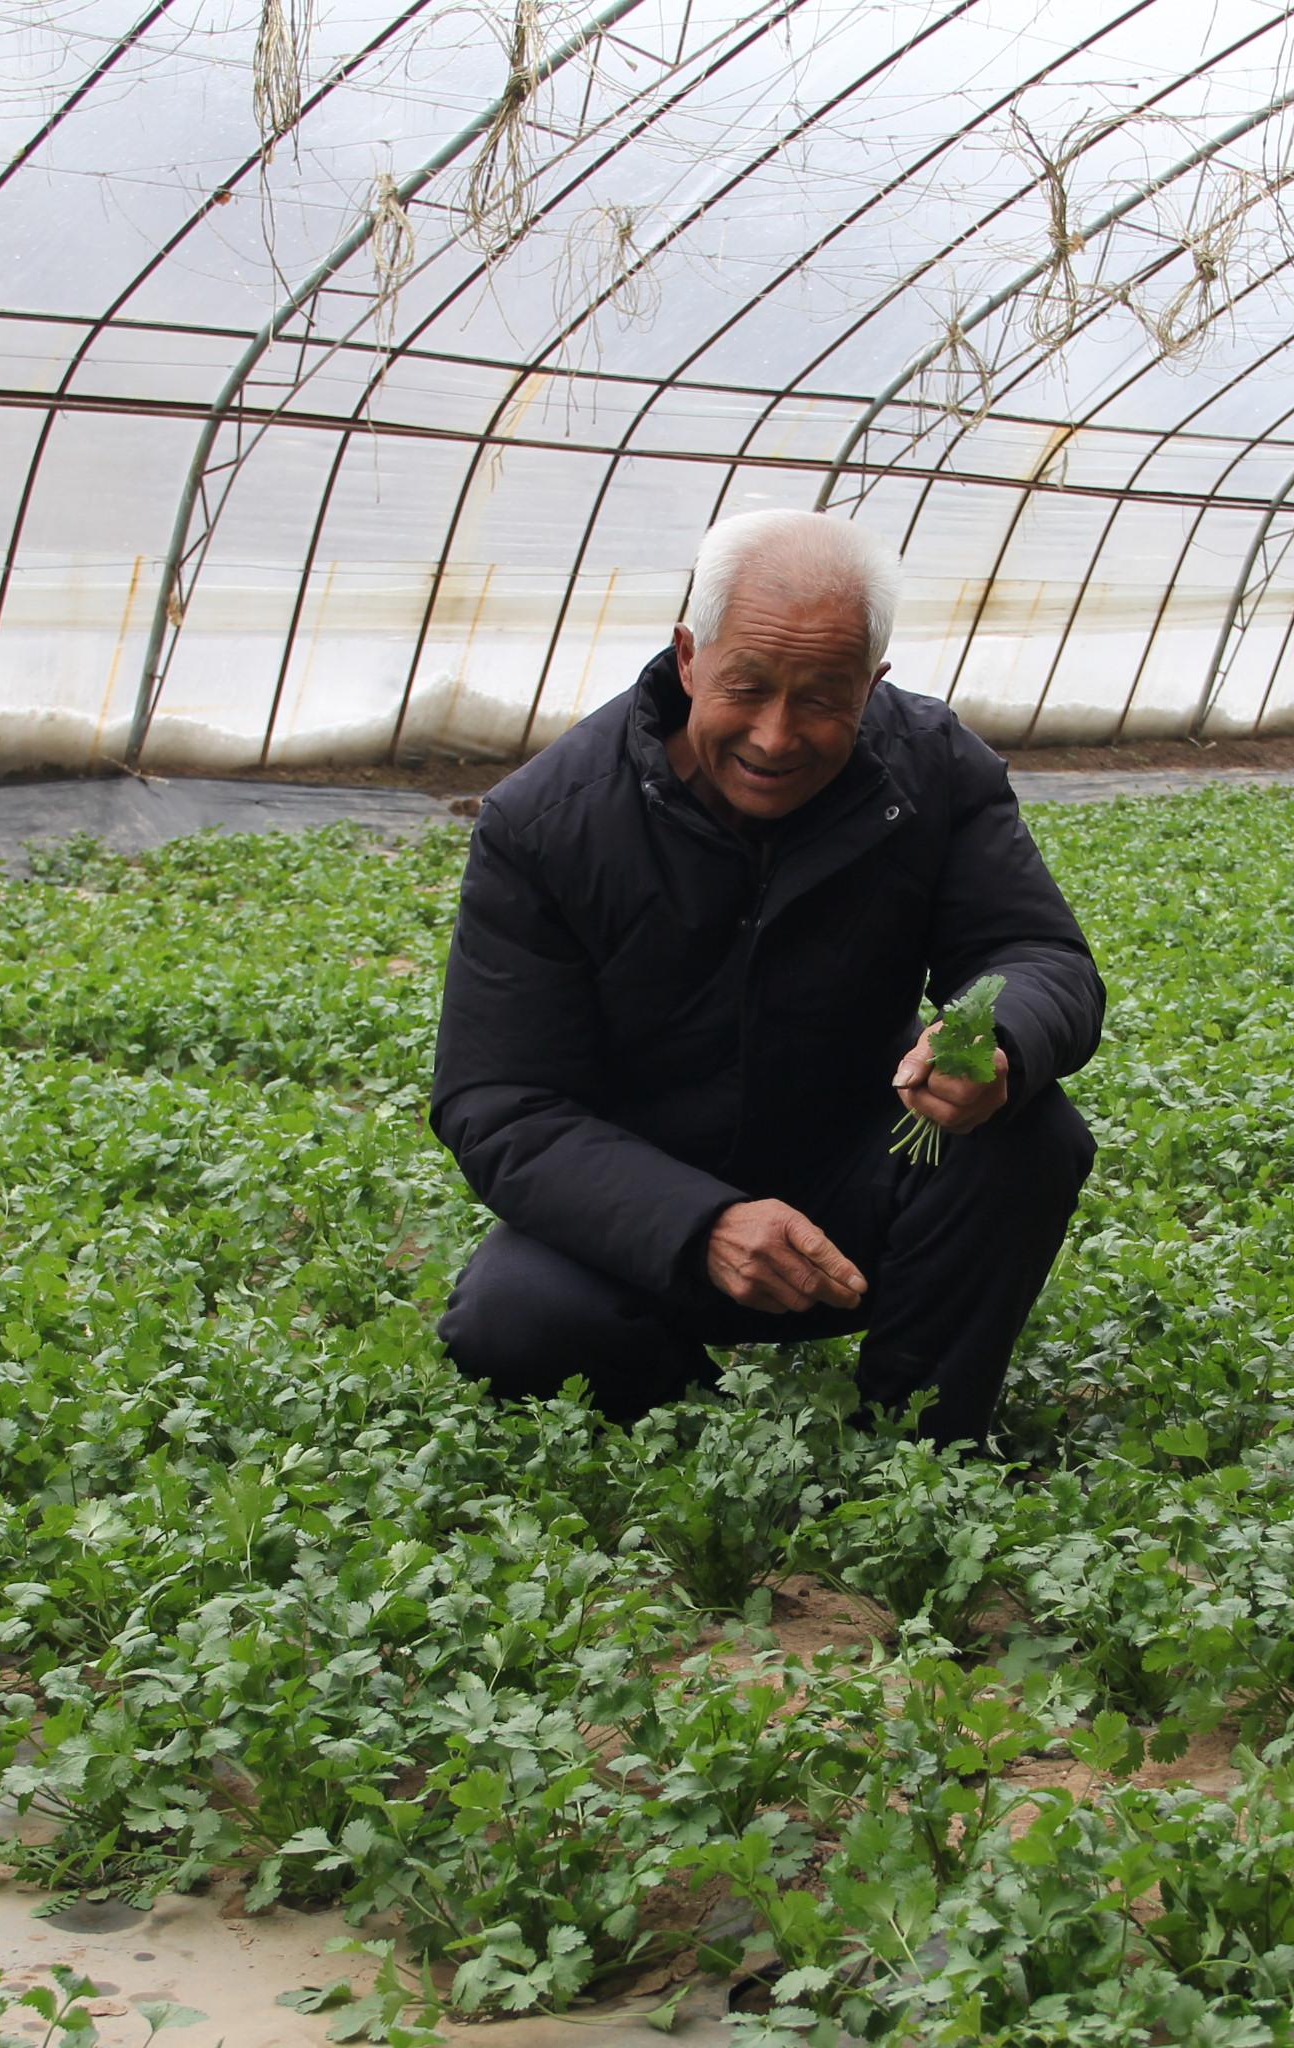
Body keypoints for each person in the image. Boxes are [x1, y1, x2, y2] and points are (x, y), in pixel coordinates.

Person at [429, 508, 1105, 1446]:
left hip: (851, 1182)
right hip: (642, 1209)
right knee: (513, 1322)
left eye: (824, 697)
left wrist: (999, 1041)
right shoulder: (550, 823)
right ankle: (692, 1405)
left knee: (1031, 1139)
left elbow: (1040, 957)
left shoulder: (931, 769)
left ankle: (920, 1442)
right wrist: (696, 1222)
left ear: (874, 683)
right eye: (747, 687)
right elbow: (500, 1100)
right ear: (689, 655)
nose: (777, 737)